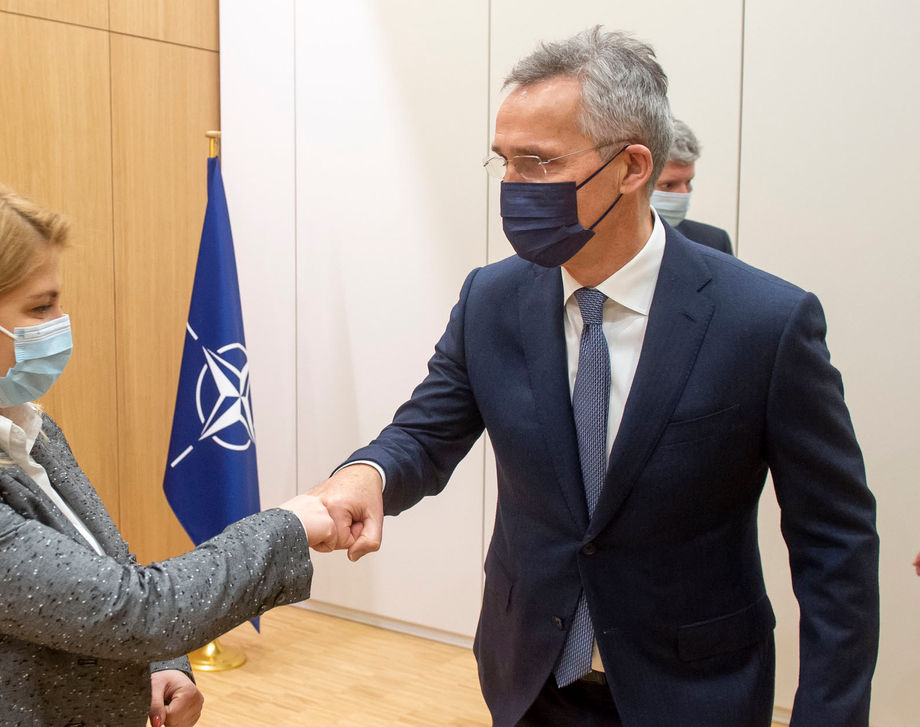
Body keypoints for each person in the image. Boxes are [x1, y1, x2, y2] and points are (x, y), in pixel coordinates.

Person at [309, 27, 878, 727]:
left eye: (538, 162)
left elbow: (836, 547)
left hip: (695, 694)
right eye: (503, 162)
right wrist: (367, 471)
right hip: (528, 680)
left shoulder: (766, 323)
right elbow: (426, 433)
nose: (513, 188)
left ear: (632, 166)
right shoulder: (492, 299)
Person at [0, 177, 334, 727]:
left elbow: (105, 571)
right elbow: (133, 608)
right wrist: (286, 526)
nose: (60, 325)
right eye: (39, 307)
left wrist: (160, 664)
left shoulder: (30, 429)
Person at [650, 118, 733, 254]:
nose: (684, 193)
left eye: (688, 182)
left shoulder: (713, 243)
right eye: (668, 185)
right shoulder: (606, 246)